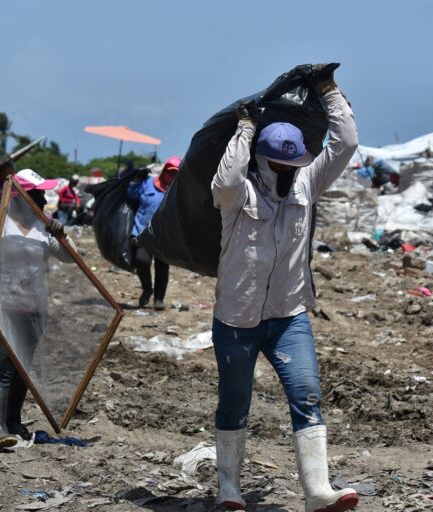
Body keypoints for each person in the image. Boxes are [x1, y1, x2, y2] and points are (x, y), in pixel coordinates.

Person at [210, 65, 359, 512]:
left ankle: (317, 492)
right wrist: (245, 128)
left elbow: (346, 144)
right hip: (236, 321)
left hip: (288, 317)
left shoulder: (308, 183)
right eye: (281, 165)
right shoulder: (238, 197)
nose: (290, 173)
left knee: (307, 395)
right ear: (262, 161)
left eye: (295, 165)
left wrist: (328, 91)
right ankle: (229, 489)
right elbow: (225, 179)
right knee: (234, 402)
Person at [0, 168, 70, 451]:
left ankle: (13, 422)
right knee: (2, 366)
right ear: (20, 197)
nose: (43, 201)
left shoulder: (43, 227)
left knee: (21, 369)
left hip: (33, 310)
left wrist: (62, 234)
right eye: (37, 195)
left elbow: (69, 257)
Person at [127, 157, 181, 310]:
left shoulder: (177, 190)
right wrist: (136, 180)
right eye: (170, 172)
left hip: (164, 236)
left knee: (162, 268)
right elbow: (131, 194)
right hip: (142, 232)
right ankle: (147, 288)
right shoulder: (148, 183)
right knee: (141, 260)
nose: (172, 176)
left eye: (175, 173)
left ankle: (159, 299)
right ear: (164, 171)